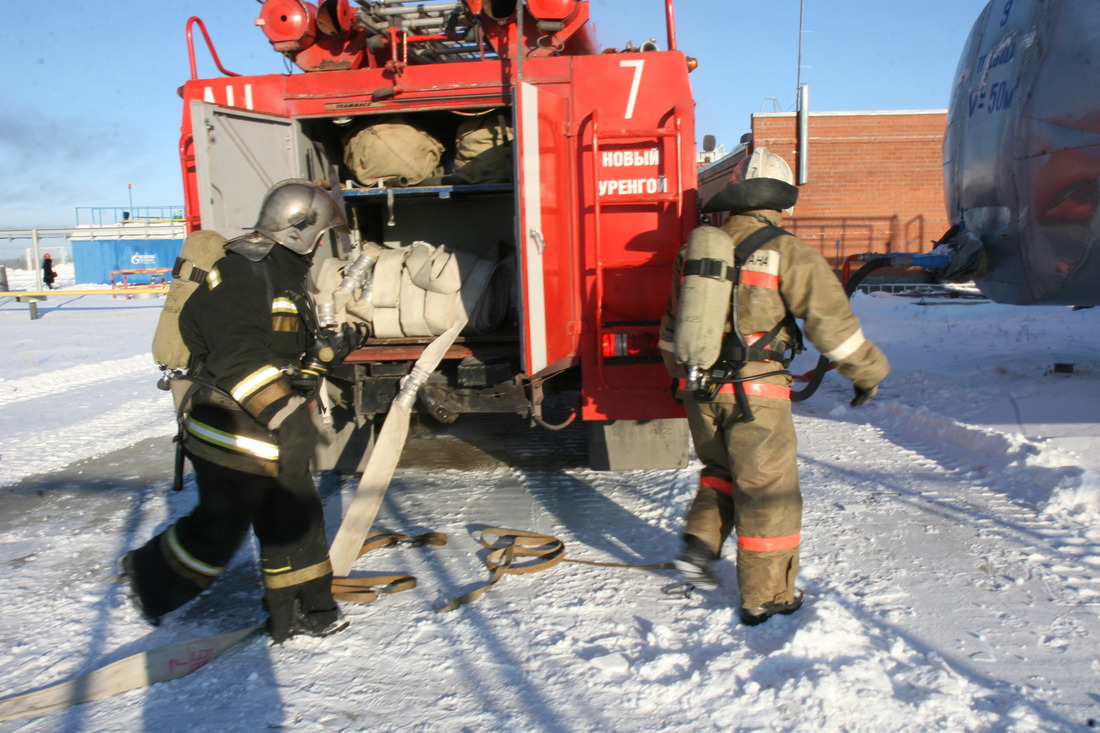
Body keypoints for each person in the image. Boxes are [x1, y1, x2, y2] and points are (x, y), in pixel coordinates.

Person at [659, 148, 890, 626]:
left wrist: (682, 381)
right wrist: (868, 372)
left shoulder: (695, 252)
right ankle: (766, 597)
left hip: (700, 389)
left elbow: (671, 329)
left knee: (720, 470)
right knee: (768, 492)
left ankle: (698, 548)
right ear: (778, 202)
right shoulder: (789, 252)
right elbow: (834, 326)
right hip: (756, 395)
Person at [123, 179, 358, 643]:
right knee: (219, 528)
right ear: (299, 231)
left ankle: (305, 610)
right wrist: (285, 414)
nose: (322, 245)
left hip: (265, 421)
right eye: (321, 234)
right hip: (227, 424)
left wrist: (325, 357)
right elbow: (237, 356)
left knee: (295, 517)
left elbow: (277, 351)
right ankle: (148, 577)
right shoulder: (242, 274)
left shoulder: (282, 274)